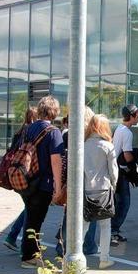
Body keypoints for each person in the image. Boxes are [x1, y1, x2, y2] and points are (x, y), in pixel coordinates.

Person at [20, 96, 64, 268]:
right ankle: (29, 256)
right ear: (54, 111)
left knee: (30, 216)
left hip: (26, 179)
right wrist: (58, 187)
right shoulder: (54, 132)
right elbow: (56, 161)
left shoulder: (29, 128)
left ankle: (28, 251)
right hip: (43, 182)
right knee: (35, 219)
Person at [56, 107, 99, 257]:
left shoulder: (69, 134)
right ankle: (88, 245)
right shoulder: (93, 137)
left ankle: (62, 246)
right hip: (88, 179)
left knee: (70, 213)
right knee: (90, 213)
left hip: (72, 178)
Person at [83, 114, 118, 269]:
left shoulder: (82, 144)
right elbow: (114, 172)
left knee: (83, 225)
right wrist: (114, 185)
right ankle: (104, 258)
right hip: (103, 189)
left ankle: (71, 254)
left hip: (85, 189)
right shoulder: (108, 146)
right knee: (105, 226)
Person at [4, 107, 37, 252]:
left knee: (28, 207)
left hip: (16, 174)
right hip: (27, 174)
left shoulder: (19, 132)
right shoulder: (32, 132)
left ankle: (13, 236)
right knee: (30, 209)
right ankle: (18, 240)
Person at [111, 103, 138, 244]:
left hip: (116, 169)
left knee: (119, 202)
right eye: (137, 114)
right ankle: (113, 231)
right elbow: (127, 156)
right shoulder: (127, 132)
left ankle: (112, 231)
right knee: (124, 203)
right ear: (131, 116)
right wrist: (137, 155)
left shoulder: (120, 128)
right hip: (121, 171)